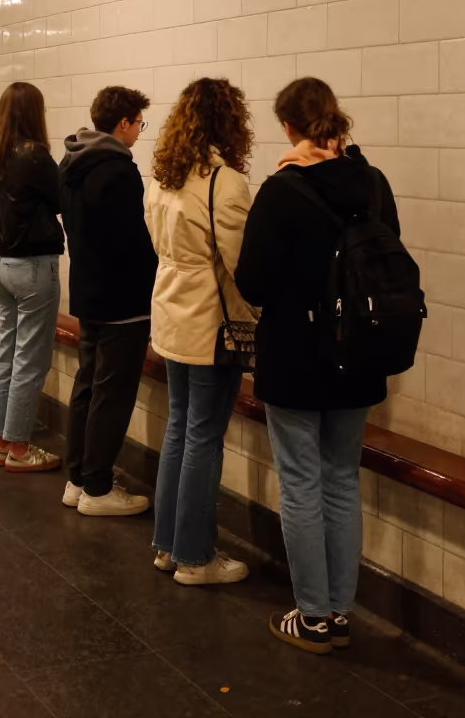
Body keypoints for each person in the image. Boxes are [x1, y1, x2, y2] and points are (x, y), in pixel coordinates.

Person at [235, 77, 399, 655]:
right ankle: (341, 611)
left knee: (302, 485)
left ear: (288, 127)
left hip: (296, 357)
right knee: (341, 480)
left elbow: (250, 280)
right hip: (358, 357)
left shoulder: (282, 189)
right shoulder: (373, 183)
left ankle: (312, 617)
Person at [145, 78, 257, 585]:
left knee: (179, 429)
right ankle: (196, 557)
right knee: (204, 438)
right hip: (209, 321)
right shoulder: (224, 181)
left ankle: (168, 546)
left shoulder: (163, 174)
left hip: (170, 310)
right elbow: (242, 265)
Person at [59, 85, 158, 516]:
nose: (139, 131)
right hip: (122, 297)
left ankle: (77, 476)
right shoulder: (119, 170)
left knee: (87, 384)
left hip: (86, 289)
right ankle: (98, 488)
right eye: (139, 123)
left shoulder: (72, 161)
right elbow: (134, 240)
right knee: (112, 394)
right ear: (123, 123)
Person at [0, 82, 64, 473]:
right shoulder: (34, 155)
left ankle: (1, 440)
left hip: (1, 264)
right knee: (30, 360)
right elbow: (62, 200)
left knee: (6, 354)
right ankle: (19, 448)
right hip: (33, 265)